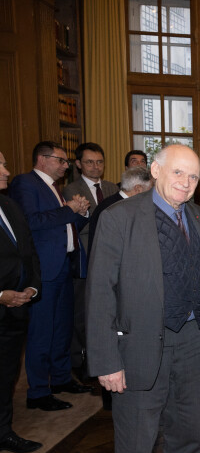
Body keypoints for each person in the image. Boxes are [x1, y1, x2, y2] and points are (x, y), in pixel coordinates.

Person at [86, 144, 200, 453]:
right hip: (138, 345)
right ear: (156, 170)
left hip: (192, 339)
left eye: (194, 176)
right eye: (178, 173)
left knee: (189, 428)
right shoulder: (119, 218)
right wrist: (106, 360)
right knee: (137, 436)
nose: (186, 183)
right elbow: (99, 294)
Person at [8, 141, 91, 411]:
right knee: (41, 332)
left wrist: (81, 212)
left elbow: (66, 224)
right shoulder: (26, 183)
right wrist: (70, 209)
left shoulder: (54, 189)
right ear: (42, 159)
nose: (66, 166)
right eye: (61, 160)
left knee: (61, 329)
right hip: (43, 270)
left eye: (66, 161)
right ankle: (38, 392)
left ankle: (60, 378)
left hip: (63, 265)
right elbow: (30, 222)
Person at [62, 142, 119, 376]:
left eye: (99, 162)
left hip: (111, 258)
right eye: (89, 162)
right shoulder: (70, 190)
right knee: (82, 313)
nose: (95, 167)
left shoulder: (112, 187)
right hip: (84, 258)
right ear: (78, 164)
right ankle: (80, 362)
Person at [0, 150, 42, 453]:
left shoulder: (10, 205)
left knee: (6, 376)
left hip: (16, 311)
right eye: (0, 164)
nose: (6, 171)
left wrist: (32, 288)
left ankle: (3, 432)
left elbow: (28, 252)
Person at [88, 166, 153, 254]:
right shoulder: (111, 210)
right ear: (138, 189)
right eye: (150, 190)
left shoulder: (124, 203)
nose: (152, 195)